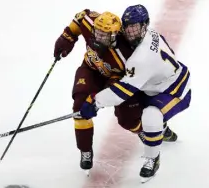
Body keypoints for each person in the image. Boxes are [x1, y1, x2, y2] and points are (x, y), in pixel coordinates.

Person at [53, 9, 177, 172]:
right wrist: (67, 37)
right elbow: (80, 18)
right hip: (90, 70)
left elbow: (124, 84)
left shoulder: (128, 55)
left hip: (116, 81)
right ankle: (85, 150)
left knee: (127, 120)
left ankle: (150, 128)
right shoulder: (92, 23)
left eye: (105, 35)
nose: (99, 37)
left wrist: (98, 98)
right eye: (97, 32)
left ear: (114, 35)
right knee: (79, 109)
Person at [79, 5, 191, 182]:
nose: (130, 32)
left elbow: (123, 90)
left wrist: (95, 102)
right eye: (127, 26)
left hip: (173, 90)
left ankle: (152, 158)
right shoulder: (147, 34)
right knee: (129, 117)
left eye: (135, 27)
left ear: (144, 25)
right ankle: (163, 129)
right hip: (151, 85)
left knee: (151, 116)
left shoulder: (142, 57)